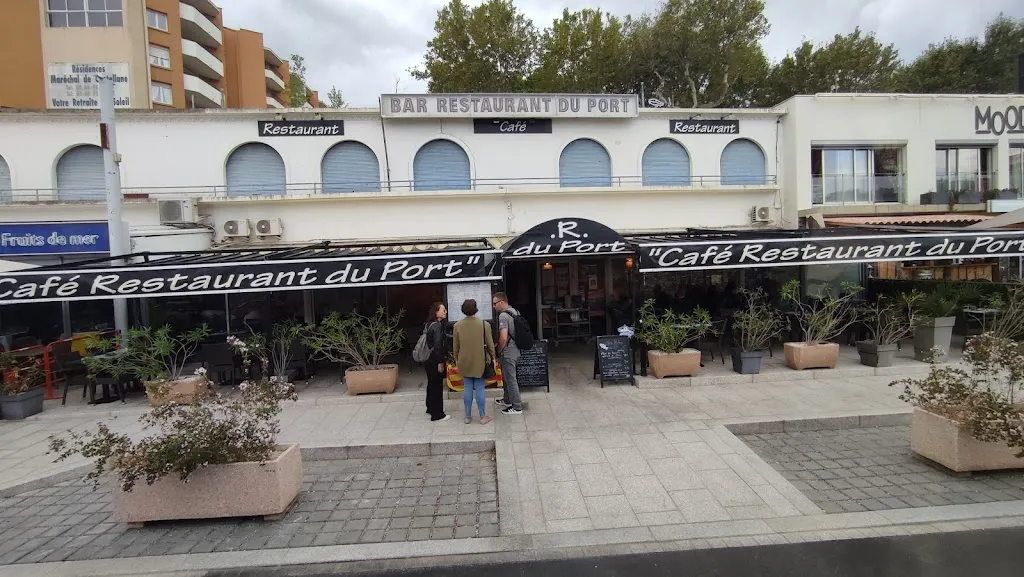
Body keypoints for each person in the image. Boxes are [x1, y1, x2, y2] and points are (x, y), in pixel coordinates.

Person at [452, 299, 496, 425]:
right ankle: (482, 416)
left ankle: (467, 416)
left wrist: (456, 359)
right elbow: (490, 344)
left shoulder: (457, 326)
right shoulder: (484, 325)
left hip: (464, 360)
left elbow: (456, 346)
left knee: (467, 388)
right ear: (476, 308)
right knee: (480, 388)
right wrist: (493, 357)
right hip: (480, 360)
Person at [491, 292, 523, 415]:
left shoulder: (503, 316)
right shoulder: (515, 311)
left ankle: (516, 406)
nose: (494, 306)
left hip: (508, 350)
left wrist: (499, 349)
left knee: (510, 379)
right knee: (507, 376)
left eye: (495, 303)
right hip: (516, 348)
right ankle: (507, 399)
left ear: (502, 302)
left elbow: (503, 337)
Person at [423, 302, 450, 422]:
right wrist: (440, 362)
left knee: (431, 384)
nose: (445, 312)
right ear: (436, 312)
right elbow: (438, 345)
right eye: (443, 310)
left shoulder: (428, 324)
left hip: (428, 358)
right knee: (437, 386)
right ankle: (437, 414)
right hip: (435, 359)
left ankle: (430, 407)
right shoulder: (437, 326)